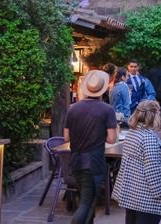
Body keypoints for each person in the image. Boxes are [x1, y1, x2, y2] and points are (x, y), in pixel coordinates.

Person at [64, 70, 118, 224]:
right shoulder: (107, 110)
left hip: (75, 160)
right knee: (87, 203)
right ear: (103, 89)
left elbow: (66, 137)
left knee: (87, 201)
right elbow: (112, 139)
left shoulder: (72, 109)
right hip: (94, 161)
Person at [112, 100, 161, 224]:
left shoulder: (132, 133)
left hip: (132, 195)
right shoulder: (148, 138)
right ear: (154, 116)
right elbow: (153, 171)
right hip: (147, 199)